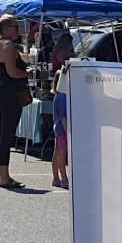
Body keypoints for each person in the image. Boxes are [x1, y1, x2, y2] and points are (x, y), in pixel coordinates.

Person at [0, 13, 33, 190]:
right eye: (15, 27)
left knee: (3, 133)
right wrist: (27, 73)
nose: (18, 30)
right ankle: (4, 176)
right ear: (6, 28)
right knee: (6, 134)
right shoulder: (7, 45)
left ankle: (3, 175)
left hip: (3, 90)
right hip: (9, 92)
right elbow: (12, 72)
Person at [51, 61, 70, 190]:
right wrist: (68, 130)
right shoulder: (63, 96)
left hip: (57, 127)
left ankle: (56, 178)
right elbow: (63, 116)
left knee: (57, 153)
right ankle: (64, 178)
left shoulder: (58, 95)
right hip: (62, 129)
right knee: (62, 155)